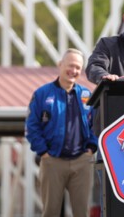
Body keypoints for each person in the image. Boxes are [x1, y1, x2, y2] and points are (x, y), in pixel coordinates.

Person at [25, 49, 98, 217]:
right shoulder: (42, 94)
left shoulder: (86, 95)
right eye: (70, 65)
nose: (74, 71)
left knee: (82, 212)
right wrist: (43, 152)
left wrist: (91, 148)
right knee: (51, 212)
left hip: (82, 161)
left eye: (78, 67)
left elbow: (96, 124)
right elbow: (31, 126)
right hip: (53, 161)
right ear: (60, 65)